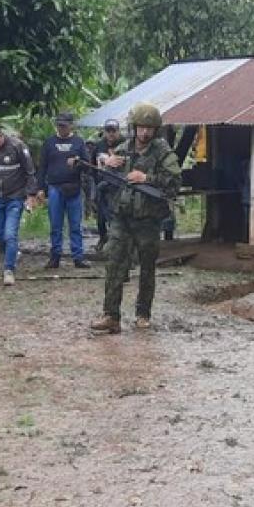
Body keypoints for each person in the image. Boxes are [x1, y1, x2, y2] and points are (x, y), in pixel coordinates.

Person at [90, 102, 181, 334]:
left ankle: (143, 313)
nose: (145, 132)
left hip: (148, 220)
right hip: (122, 217)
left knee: (147, 267)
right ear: (134, 127)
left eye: (149, 128)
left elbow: (174, 181)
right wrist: (107, 163)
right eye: (141, 127)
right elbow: (107, 172)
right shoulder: (124, 148)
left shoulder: (163, 152)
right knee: (114, 263)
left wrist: (146, 177)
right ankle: (111, 315)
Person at [0, 121, 37, 286]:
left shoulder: (17, 146)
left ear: (0, 135)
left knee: (10, 234)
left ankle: (8, 269)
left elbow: (30, 172)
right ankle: (12, 253)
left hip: (15, 197)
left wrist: (31, 195)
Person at [37, 111, 89, 269]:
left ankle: (78, 257)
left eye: (64, 125)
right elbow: (42, 167)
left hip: (74, 187)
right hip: (55, 188)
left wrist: (78, 162)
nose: (61, 128)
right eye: (59, 125)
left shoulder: (79, 142)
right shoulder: (49, 143)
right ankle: (55, 256)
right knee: (55, 225)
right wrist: (40, 188)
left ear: (70, 125)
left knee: (75, 225)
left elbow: (87, 165)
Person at [90, 119, 125, 252]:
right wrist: (97, 180)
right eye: (108, 131)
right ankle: (102, 237)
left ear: (118, 131)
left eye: (113, 131)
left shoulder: (124, 145)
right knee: (100, 216)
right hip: (101, 185)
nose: (111, 134)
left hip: (118, 186)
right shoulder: (99, 145)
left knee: (115, 216)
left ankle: (117, 242)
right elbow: (92, 165)